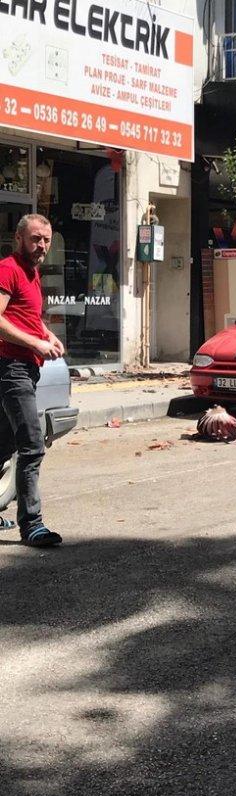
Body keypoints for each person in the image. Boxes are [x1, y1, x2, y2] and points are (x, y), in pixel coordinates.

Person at [0, 214, 65, 547]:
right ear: (19, 238)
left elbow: (24, 316)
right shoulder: (9, 269)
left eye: (47, 240)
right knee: (31, 444)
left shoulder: (32, 273)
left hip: (24, 366)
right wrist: (36, 344)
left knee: (5, 443)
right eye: (35, 239)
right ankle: (32, 525)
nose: (42, 245)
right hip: (10, 367)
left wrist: (47, 335)